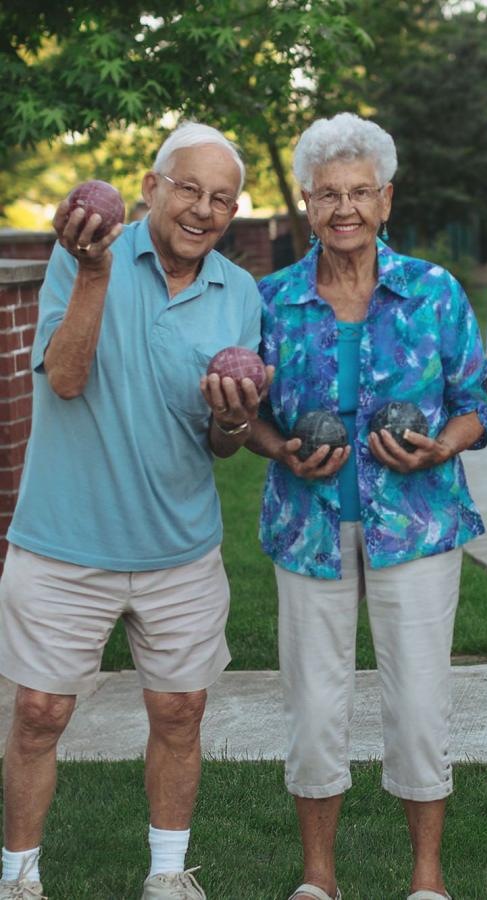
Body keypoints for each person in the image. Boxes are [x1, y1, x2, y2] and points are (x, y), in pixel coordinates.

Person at [0, 123, 265, 900]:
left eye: (221, 198)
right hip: (63, 540)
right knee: (40, 713)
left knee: (181, 712)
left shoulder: (238, 293)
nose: (203, 209)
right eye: (188, 189)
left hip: (179, 547)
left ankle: (167, 874)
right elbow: (67, 379)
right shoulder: (84, 258)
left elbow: (222, 444)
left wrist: (235, 419)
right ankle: (18, 878)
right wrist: (91, 274)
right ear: (151, 188)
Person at [246, 112, 487, 900]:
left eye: (360, 192)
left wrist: (443, 447)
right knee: (316, 707)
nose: (343, 208)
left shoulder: (432, 291)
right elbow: (245, 412)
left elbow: (475, 399)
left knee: (419, 704)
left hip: (415, 526)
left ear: (386, 200)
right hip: (308, 523)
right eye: (327, 194)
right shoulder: (271, 301)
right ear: (306, 204)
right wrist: (278, 446)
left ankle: (427, 878)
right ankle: (319, 877)